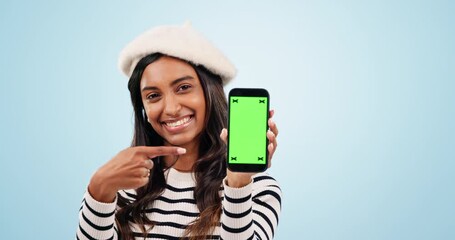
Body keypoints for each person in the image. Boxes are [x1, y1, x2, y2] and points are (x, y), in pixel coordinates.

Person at [76, 22, 281, 240]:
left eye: (183, 88)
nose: (171, 109)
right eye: (153, 95)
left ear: (210, 92)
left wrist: (238, 183)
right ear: (142, 107)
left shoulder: (260, 190)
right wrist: (98, 188)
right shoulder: (120, 188)